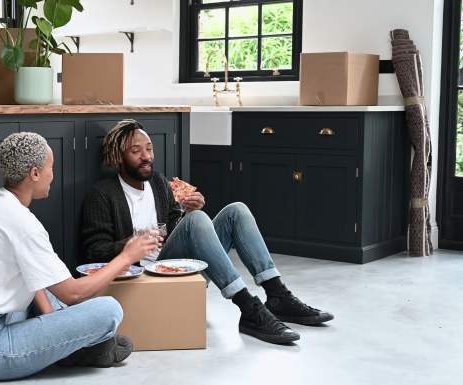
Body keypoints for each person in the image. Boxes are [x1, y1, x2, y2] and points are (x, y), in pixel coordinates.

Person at [80, 119, 334, 345]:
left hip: (172, 265)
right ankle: (248, 307)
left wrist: (188, 212)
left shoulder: (158, 182)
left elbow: (171, 227)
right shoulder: (102, 194)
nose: (146, 156)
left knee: (237, 210)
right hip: (145, 276)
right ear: (118, 157)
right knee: (198, 220)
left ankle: (278, 295)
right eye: (136, 151)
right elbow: (93, 251)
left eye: (149, 149)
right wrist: (132, 244)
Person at [0, 132, 161, 380]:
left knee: (49, 285)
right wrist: (127, 257)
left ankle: (67, 349)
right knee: (109, 310)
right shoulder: (21, 222)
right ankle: (73, 352)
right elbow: (73, 294)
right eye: (51, 167)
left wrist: (58, 327)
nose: (53, 175)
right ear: (35, 173)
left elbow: (37, 281)